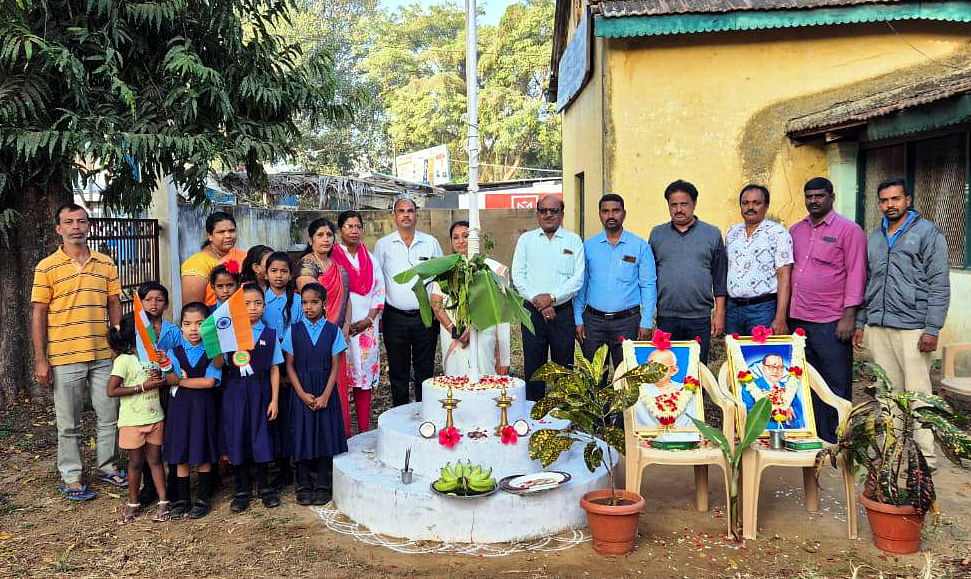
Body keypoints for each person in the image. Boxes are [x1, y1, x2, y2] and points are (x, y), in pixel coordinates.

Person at [32, 202, 126, 501]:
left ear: (89, 226)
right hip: (64, 356)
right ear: (59, 229)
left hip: (102, 354)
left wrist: (118, 338)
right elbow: (38, 313)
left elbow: (114, 302)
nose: (76, 227)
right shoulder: (46, 267)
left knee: (109, 415)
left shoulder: (106, 264)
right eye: (69, 222)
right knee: (68, 422)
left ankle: (108, 467)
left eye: (81, 221)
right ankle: (72, 477)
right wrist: (40, 358)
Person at [853, 178, 950, 467]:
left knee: (918, 394)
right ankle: (893, 453)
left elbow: (939, 284)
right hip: (879, 326)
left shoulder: (927, 233)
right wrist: (861, 321)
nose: (890, 205)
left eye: (895, 199)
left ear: (907, 200)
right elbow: (867, 282)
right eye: (884, 200)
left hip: (914, 327)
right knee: (888, 394)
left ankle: (925, 459)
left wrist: (932, 328)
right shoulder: (875, 237)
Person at [789, 177, 866, 443]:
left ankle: (836, 439)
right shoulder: (795, 230)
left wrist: (849, 317)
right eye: (809, 196)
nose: (813, 201)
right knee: (806, 381)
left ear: (831, 197)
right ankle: (811, 434)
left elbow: (856, 274)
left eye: (819, 196)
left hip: (831, 321)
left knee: (835, 382)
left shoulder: (849, 230)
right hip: (798, 319)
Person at [106, 315, 180, 523]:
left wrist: (162, 377)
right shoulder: (123, 361)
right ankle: (133, 502)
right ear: (135, 335)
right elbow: (112, 390)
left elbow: (165, 378)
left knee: (156, 460)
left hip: (155, 416)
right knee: (136, 462)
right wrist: (143, 387)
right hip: (132, 421)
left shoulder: (152, 356)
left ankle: (164, 502)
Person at [512, 195, 584, 401]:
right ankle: (532, 416)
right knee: (534, 368)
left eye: (553, 211)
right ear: (538, 214)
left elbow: (577, 279)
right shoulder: (526, 240)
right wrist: (540, 302)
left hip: (562, 314)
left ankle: (564, 416)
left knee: (564, 369)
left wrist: (551, 298)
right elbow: (518, 276)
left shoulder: (573, 240)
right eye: (543, 210)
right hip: (532, 313)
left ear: (562, 213)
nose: (548, 215)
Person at [282, 283, 348, 506]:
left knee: (324, 434)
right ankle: (302, 483)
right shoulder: (293, 331)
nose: (308, 307)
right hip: (302, 389)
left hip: (324, 389)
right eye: (304, 303)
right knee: (302, 433)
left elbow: (335, 366)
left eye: (314, 302)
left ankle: (323, 483)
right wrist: (301, 394)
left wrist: (326, 395)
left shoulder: (333, 331)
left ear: (324, 304)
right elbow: (289, 366)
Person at [374, 198, 443, 406]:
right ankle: (400, 414)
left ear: (417, 215)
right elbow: (377, 281)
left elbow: (440, 278)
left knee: (425, 368)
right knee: (398, 370)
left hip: (425, 316)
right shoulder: (383, 245)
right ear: (394, 216)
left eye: (410, 211)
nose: (406, 215)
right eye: (401, 211)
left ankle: (426, 412)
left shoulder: (430, 242)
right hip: (395, 317)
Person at [220, 283, 282, 512]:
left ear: (264, 306)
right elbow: (221, 365)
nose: (252, 308)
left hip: (261, 392)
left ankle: (265, 487)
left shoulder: (269, 334)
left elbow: (275, 368)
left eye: (257, 303)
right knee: (239, 437)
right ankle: (242, 489)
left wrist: (274, 399)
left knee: (261, 436)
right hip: (236, 392)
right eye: (246, 304)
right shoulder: (229, 334)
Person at [649, 180, 727, 364]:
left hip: (699, 317)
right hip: (666, 316)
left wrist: (720, 315)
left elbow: (720, 278)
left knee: (696, 367)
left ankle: (697, 393)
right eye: (673, 205)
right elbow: (649, 277)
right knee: (666, 366)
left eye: (684, 204)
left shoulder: (712, 234)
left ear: (694, 204)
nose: (678, 209)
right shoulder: (657, 234)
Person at [574, 193, 656, 368]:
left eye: (615, 211)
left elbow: (648, 285)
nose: (611, 215)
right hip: (593, 323)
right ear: (600, 214)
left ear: (624, 214)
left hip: (628, 323)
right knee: (594, 379)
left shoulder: (640, 246)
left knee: (627, 376)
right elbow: (581, 285)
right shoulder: (588, 247)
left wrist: (646, 323)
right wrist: (578, 319)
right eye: (605, 211)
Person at [164, 302, 222, 519]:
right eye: (187, 324)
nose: (193, 329)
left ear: (207, 326)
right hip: (180, 409)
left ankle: (203, 498)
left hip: (204, 408)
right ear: (181, 327)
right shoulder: (174, 351)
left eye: (199, 324)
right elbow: (170, 378)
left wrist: (181, 381)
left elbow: (210, 382)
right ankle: (182, 499)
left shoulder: (213, 351)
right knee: (181, 454)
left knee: (204, 452)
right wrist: (171, 374)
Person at [431, 220, 511, 376]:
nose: (461, 241)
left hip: (483, 332)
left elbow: (500, 311)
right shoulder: (444, 270)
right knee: (456, 383)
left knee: (484, 380)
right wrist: (454, 330)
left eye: (466, 236)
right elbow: (436, 305)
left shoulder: (489, 268)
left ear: (475, 239)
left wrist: (504, 359)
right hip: (453, 335)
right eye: (456, 237)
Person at [331, 210, 384, 437]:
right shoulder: (332, 257)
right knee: (341, 377)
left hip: (366, 329)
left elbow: (379, 290)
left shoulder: (369, 257)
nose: (354, 230)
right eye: (348, 226)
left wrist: (368, 319)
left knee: (363, 380)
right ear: (340, 230)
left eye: (357, 226)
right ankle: (343, 430)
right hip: (340, 326)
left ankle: (363, 429)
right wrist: (346, 323)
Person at [725, 185, 793, 336]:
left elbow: (784, 276)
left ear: (766, 206)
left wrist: (780, 317)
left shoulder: (778, 234)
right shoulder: (732, 233)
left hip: (763, 310)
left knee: (761, 356)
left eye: (756, 203)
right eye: (745, 203)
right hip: (733, 309)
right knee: (735, 356)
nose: (750, 207)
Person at [262, 251, 302, 491]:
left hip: (292, 364)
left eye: (284, 271)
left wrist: (288, 370)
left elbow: (295, 334)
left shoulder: (297, 301)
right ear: (266, 274)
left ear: (291, 275)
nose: (279, 276)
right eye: (274, 271)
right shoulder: (260, 299)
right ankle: (280, 466)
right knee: (273, 418)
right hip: (266, 366)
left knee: (290, 417)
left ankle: (296, 463)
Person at [181, 211, 247, 306]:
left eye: (231, 231)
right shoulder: (197, 263)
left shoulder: (244, 256)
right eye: (221, 232)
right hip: (212, 318)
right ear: (210, 236)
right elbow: (192, 307)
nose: (228, 236)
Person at [296, 218, 351, 330]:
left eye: (329, 235)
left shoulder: (339, 268)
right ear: (311, 240)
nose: (326, 239)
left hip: (338, 330)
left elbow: (347, 299)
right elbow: (311, 297)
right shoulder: (306, 265)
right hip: (313, 328)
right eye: (320, 235)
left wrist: (346, 326)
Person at [634, 349, 697, 430]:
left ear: (674, 370)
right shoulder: (640, 390)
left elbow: (691, 421)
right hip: (646, 437)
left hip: (682, 437)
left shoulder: (685, 390)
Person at [740, 354, 805, 430]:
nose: (776, 371)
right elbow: (749, 414)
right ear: (763, 368)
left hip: (789, 434)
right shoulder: (749, 387)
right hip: (763, 434)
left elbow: (800, 413)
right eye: (771, 367)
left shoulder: (789, 388)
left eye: (780, 367)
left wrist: (790, 413)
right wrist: (772, 411)